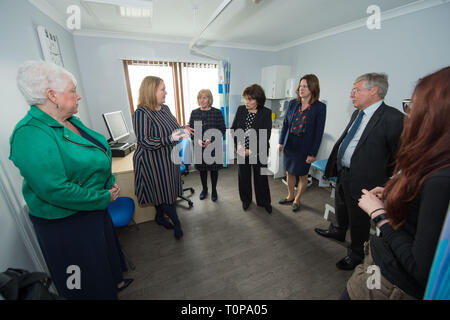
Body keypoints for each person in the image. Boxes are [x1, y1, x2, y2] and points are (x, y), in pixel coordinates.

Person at [9, 60, 132, 300]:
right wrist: (102, 196)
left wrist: (107, 184)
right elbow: (56, 190)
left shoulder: (69, 121)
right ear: (52, 95)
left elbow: (92, 155)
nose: (78, 97)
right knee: (84, 282)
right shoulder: (30, 134)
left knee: (103, 268)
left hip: (93, 213)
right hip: (68, 225)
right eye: (73, 91)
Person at [341, 66, 450, 300]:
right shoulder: (435, 164)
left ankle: (355, 252)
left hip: (391, 281)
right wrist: (394, 191)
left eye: (415, 104)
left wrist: (380, 214)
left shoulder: (441, 178)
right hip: (380, 258)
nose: (411, 111)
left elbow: (421, 267)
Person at [315, 73, 404, 270]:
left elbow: (400, 156)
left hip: (367, 181)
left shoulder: (393, 118)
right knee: (341, 206)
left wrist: (386, 182)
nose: (351, 95)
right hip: (344, 172)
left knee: (359, 221)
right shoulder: (358, 113)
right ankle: (338, 230)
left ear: (374, 91)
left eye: (356, 90)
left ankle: (356, 254)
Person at [132, 76, 192, 240]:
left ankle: (159, 216)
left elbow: (172, 130)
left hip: (168, 158)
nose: (166, 92)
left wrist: (182, 129)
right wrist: (171, 138)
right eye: (162, 89)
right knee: (163, 193)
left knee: (165, 191)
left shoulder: (164, 109)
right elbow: (145, 141)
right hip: (152, 161)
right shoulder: (141, 113)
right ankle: (177, 224)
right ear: (151, 91)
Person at [278, 74, 326, 212]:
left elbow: (318, 132)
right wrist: (281, 142)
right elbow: (285, 124)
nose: (301, 88)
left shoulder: (319, 107)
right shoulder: (293, 103)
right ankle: (290, 196)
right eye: (300, 85)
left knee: (302, 175)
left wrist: (313, 153)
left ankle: (297, 200)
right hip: (290, 143)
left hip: (305, 146)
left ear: (313, 88)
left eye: (305, 86)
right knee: (289, 173)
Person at [231, 84, 272, 214]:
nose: (246, 102)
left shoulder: (266, 113)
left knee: (262, 177)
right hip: (242, 150)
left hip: (259, 152)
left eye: (250, 99)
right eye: (245, 99)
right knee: (244, 177)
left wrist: (252, 150)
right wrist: (239, 146)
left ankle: (264, 201)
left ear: (258, 99)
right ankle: (246, 200)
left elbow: (266, 135)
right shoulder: (241, 110)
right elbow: (234, 129)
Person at [188, 89, 226, 201]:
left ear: (209, 99)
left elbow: (222, 129)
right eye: (200, 98)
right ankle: (204, 190)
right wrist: (197, 139)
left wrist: (212, 139)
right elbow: (191, 131)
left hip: (214, 147)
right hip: (200, 147)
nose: (202, 100)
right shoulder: (194, 113)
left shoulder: (217, 112)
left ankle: (214, 190)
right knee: (202, 171)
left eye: (204, 97)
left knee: (214, 171)